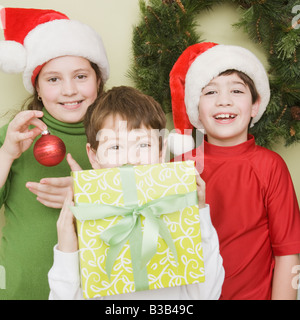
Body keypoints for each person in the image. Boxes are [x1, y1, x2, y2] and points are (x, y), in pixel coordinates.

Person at [48, 86, 225, 300]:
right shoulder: (88, 219)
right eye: (114, 147)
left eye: (143, 144)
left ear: (162, 152)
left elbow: (208, 295)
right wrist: (67, 248)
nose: (130, 158)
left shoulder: (178, 211)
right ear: (94, 157)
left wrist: (199, 216)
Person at [169, 42, 300, 300]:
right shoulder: (180, 167)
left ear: (255, 105)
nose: (224, 101)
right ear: (196, 109)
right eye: (210, 93)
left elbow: (287, 252)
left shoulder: (271, 166)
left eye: (237, 91)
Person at [0, 7, 109, 299]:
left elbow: (150, 202)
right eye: (53, 79)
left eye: (81, 76)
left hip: (97, 288)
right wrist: (7, 154)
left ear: (98, 80)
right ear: (36, 87)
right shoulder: (15, 135)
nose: (69, 90)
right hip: (23, 288)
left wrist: (87, 193)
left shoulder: (119, 135)